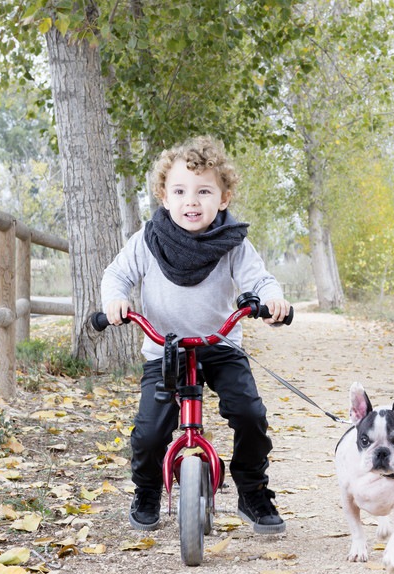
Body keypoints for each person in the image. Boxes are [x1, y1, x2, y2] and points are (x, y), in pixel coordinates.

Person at [100, 135, 291, 534]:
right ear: (164, 197)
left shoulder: (233, 244)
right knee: (150, 431)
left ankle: (253, 491)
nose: (192, 201)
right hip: (165, 350)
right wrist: (115, 300)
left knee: (250, 415)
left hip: (219, 346)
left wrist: (272, 300)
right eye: (181, 191)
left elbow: (260, 279)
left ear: (223, 199)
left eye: (204, 191)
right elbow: (117, 275)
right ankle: (148, 489)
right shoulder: (147, 242)